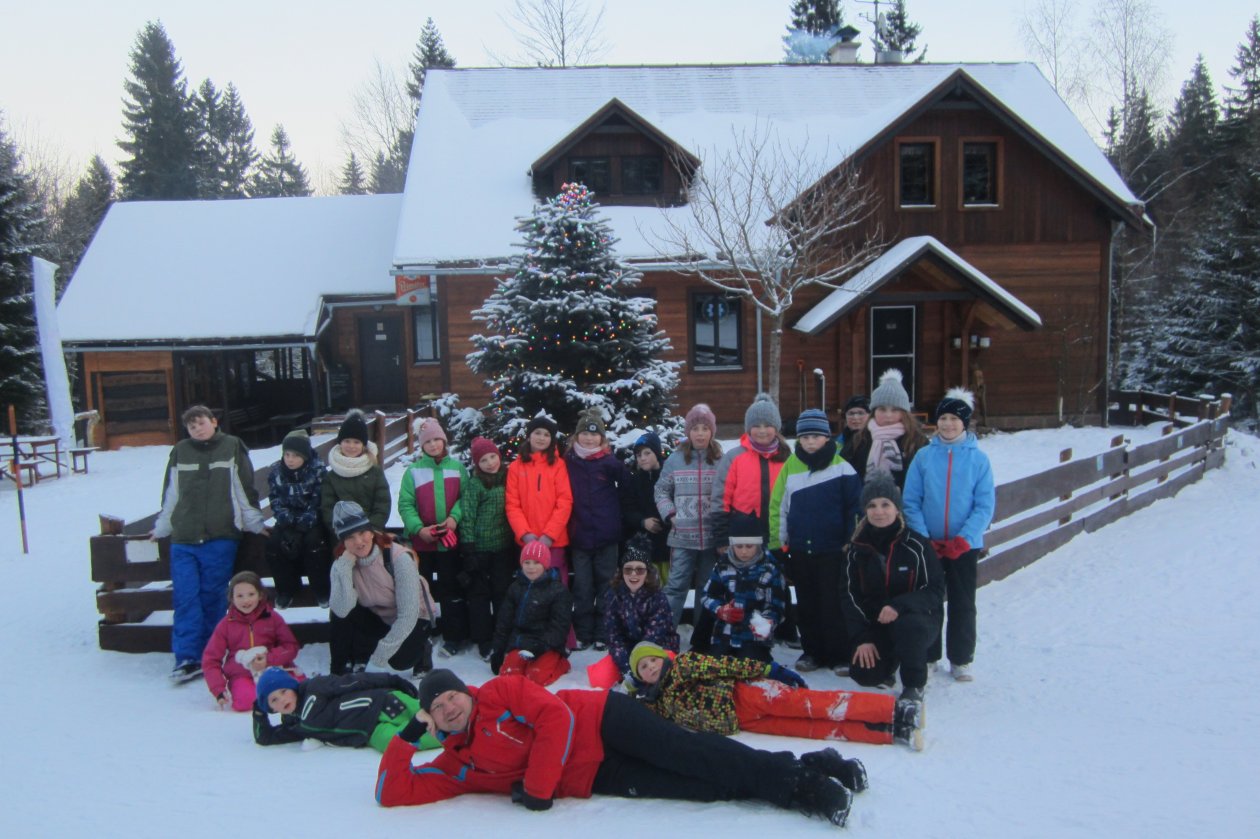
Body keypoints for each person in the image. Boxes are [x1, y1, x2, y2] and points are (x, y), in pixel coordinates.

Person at [375, 668, 859, 827]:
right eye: (437, 708)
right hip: (593, 775)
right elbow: (390, 792)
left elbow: (555, 717)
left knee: (692, 755)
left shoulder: (500, 693)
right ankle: (811, 763)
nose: (449, 707)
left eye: (452, 696)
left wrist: (540, 790)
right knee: (693, 788)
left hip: (602, 722)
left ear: (467, 692)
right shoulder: (455, 765)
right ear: (432, 720)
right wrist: (408, 737)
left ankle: (801, 786)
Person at [626, 641, 921, 751]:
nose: (651, 667)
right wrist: (631, 695)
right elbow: (640, 716)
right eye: (643, 667)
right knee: (811, 729)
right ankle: (886, 732)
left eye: (652, 660)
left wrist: (770, 668)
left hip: (745, 694)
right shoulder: (659, 702)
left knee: (815, 705)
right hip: (740, 722)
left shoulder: (682, 665)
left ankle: (895, 710)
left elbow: (726, 664)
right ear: (640, 678)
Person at [152, 404, 267, 682]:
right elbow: (171, 491)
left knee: (213, 595)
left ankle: (212, 653)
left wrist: (254, 523)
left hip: (220, 535)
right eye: (191, 426)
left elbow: (243, 488)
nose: (197, 429)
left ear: (214, 422)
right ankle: (187, 656)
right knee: (186, 596)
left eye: (201, 423)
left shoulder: (231, 447)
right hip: (184, 537)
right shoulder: (181, 451)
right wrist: (163, 526)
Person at [902, 388, 995, 683]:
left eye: (954, 418)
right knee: (929, 601)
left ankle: (961, 657)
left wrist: (964, 539)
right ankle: (929, 654)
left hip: (963, 546)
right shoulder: (924, 457)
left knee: (962, 602)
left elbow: (984, 505)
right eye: (943, 418)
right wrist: (924, 537)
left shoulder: (978, 460)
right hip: (929, 545)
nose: (948, 424)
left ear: (964, 423)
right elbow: (911, 500)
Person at [768, 408, 862, 674]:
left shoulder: (842, 467)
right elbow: (778, 507)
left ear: (826, 437)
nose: (810, 442)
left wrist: (849, 542)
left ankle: (840, 654)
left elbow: (854, 509)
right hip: (800, 549)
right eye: (805, 436)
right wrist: (778, 545)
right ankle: (812, 652)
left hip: (833, 549)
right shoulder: (790, 467)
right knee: (807, 604)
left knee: (833, 604)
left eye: (816, 436)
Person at [841, 473, 943, 714]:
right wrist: (862, 637)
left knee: (910, 628)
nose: (879, 511)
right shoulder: (856, 550)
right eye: (872, 506)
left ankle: (914, 683)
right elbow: (848, 594)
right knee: (865, 674)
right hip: (877, 623)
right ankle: (891, 657)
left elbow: (935, 590)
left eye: (886, 504)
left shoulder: (916, 544)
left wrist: (899, 605)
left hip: (917, 619)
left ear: (897, 508)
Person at [710, 393, 798, 649]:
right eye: (756, 425)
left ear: (777, 428)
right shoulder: (735, 456)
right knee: (743, 583)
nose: (762, 430)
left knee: (777, 581)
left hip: (776, 532)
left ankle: (785, 627)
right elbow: (720, 497)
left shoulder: (787, 458)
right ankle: (742, 628)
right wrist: (722, 537)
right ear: (748, 428)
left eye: (767, 425)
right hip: (743, 533)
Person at [327, 500, 437, 676]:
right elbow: (341, 610)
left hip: (414, 617)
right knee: (339, 611)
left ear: (371, 532)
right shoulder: (342, 564)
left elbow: (408, 614)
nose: (358, 542)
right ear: (342, 541)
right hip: (379, 615)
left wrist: (379, 658)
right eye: (349, 537)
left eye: (362, 533)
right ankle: (338, 673)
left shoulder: (398, 558)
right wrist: (345, 568)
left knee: (400, 661)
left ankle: (424, 647)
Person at [398, 418, 468, 657]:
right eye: (428, 441)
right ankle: (425, 631)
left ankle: (453, 635)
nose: (434, 445)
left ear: (445, 441)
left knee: (451, 588)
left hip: (449, 542)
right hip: (422, 544)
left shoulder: (457, 469)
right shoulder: (413, 472)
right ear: (422, 445)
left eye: (438, 439)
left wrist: (453, 520)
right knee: (421, 588)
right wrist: (419, 529)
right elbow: (405, 504)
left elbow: (464, 498)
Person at [253, 667, 439, 752]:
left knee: (431, 711)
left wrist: (392, 680)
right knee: (396, 743)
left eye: (284, 691)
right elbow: (265, 737)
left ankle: (462, 718)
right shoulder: (295, 726)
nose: (282, 699)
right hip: (371, 730)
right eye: (274, 700)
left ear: (292, 686)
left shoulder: (315, 688)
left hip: (384, 702)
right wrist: (258, 710)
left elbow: (354, 680)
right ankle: (450, 737)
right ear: (271, 708)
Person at [564, 409, 630, 650]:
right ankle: (583, 631)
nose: (589, 439)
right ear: (577, 436)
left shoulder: (610, 463)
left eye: (594, 435)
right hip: (579, 534)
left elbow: (626, 490)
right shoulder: (568, 462)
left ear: (602, 439)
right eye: (584, 434)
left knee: (606, 584)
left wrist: (616, 517)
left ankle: (604, 630)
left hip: (606, 535)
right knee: (582, 586)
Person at [654, 404, 723, 631]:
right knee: (675, 586)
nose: (700, 433)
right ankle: (666, 634)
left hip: (712, 539)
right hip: (682, 537)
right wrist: (671, 514)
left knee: (707, 588)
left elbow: (729, 492)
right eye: (695, 429)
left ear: (712, 431)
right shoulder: (675, 459)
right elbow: (661, 490)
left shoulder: (721, 460)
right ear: (688, 432)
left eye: (705, 428)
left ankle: (702, 638)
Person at [201, 571, 300, 712]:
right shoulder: (226, 625)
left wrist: (268, 659)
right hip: (241, 674)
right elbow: (210, 659)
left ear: (260, 595)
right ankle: (259, 694)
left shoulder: (272, 618)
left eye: (251, 594)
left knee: (296, 692)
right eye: (240, 596)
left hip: (272, 670)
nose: (246, 600)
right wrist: (218, 689)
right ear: (232, 598)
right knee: (245, 702)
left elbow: (291, 646)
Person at [458, 436, 515, 660]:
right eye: (484, 460)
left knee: (502, 593)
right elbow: (468, 517)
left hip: (503, 547)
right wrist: (469, 549)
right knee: (480, 595)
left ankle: (502, 633)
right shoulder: (475, 484)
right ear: (476, 464)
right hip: (480, 548)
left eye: (493, 457)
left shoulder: (508, 477)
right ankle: (483, 639)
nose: (490, 463)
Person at [701, 513, 785, 663]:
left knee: (748, 667)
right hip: (725, 635)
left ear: (758, 544)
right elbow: (707, 595)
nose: (744, 551)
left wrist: (767, 621)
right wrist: (720, 610)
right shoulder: (723, 564)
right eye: (739, 546)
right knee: (717, 667)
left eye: (749, 546)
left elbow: (776, 604)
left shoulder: (770, 568)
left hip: (754, 638)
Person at [489, 541, 574, 686]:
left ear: (545, 564)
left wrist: (542, 646)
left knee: (535, 677)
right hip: (520, 642)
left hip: (546, 645)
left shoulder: (558, 591)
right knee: (509, 676)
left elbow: (559, 627)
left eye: (536, 562)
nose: (531, 567)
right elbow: (504, 622)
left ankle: (560, 663)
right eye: (527, 562)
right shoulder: (515, 588)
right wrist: (498, 650)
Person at [504, 414, 572, 585]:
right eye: (538, 433)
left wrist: (549, 535)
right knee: (531, 583)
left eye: (546, 434)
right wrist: (525, 534)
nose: (541, 438)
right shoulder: (515, 467)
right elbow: (512, 504)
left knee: (554, 583)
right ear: (529, 435)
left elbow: (564, 502)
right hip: (528, 539)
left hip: (553, 540)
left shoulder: (558, 465)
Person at [265, 429, 329, 609]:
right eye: (287, 455)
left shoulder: (317, 471)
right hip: (286, 521)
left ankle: (321, 589)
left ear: (305, 456)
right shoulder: (276, 472)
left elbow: (318, 500)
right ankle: (286, 589)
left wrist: (303, 524)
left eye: (296, 455)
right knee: (274, 546)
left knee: (314, 544)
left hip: (311, 520)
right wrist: (285, 521)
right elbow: (275, 499)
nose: (290, 460)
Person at [604, 534, 679, 680]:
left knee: (658, 674)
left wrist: (639, 665)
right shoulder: (613, 596)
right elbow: (613, 636)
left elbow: (655, 635)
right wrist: (627, 667)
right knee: (602, 676)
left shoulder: (658, 597)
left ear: (647, 572)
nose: (633, 574)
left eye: (639, 570)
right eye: (628, 569)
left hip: (657, 648)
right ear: (621, 572)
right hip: (628, 649)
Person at [321, 409, 391, 534]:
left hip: (372, 533)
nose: (351, 446)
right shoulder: (331, 477)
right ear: (340, 443)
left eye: (356, 442)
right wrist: (344, 532)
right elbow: (328, 509)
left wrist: (370, 530)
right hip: (342, 535)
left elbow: (382, 505)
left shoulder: (375, 472)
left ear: (363, 445)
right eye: (347, 441)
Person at [863, 370, 928, 490]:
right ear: (874, 412)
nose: (888, 415)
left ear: (904, 413)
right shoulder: (862, 439)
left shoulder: (917, 441)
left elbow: (925, 478)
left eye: (895, 410)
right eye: (882, 409)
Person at [620, 431, 670, 582]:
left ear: (656, 453)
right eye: (639, 455)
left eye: (647, 453)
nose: (642, 458)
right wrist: (643, 521)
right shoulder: (634, 482)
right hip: (644, 545)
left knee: (669, 585)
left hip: (668, 544)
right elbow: (627, 510)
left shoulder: (668, 477)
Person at [838, 396, 871, 480]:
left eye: (860, 413)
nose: (855, 418)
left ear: (869, 415)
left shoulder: (873, 438)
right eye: (851, 413)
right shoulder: (839, 440)